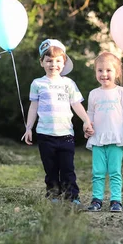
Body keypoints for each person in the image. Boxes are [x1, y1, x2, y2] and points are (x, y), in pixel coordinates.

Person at [23, 39, 94, 205]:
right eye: (48, 60)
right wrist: (28, 128)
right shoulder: (38, 84)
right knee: (51, 168)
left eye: (57, 61)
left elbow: (76, 104)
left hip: (66, 135)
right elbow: (34, 107)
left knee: (68, 168)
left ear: (64, 62)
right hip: (45, 134)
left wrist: (86, 121)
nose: (53, 64)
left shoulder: (68, 84)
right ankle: (53, 194)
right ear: (42, 62)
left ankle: (72, 196)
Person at [85, 52, 123, 213]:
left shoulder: (122, 93)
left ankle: (116, 200)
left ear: (117, 72)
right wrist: (87, 128)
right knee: (98, 172)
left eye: (108, 70)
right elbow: (89, 115)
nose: (104, 74)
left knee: (114, 171)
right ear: (95, 72)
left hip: (116, 138)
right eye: (100, 70)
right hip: (98, 138)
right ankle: (97, 199)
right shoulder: (94, 94)